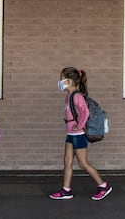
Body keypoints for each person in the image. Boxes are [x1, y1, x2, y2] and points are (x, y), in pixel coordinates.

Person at [49, 67, 112, 201]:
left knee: (83, 164)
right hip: (71, 134)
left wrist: (80, 125)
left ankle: (103, 186)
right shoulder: (69, 96)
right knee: (67, 161)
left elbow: (85, 112)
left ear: (70, 81)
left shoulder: (77, 96)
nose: (60, 82)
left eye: (62, 79)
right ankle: (66, 190)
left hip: (78, 135)